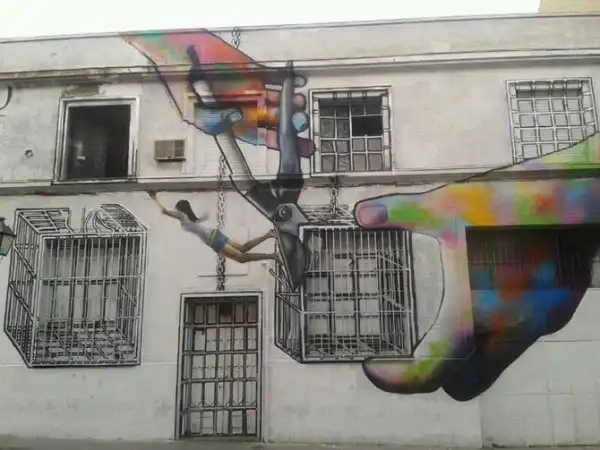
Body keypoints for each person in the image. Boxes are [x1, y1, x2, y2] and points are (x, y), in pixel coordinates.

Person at [147, 191, 281, 264]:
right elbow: (198, 225)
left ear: (180, 209)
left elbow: (164, 211)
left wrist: (154, 198)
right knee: (243, 248)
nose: (175, 210)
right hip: (216, 234)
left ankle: (272, 256)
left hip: (213, 240)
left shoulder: (182, 216)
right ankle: (268, 235)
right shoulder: (191, 217)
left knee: (242, 258)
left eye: (176, 208)